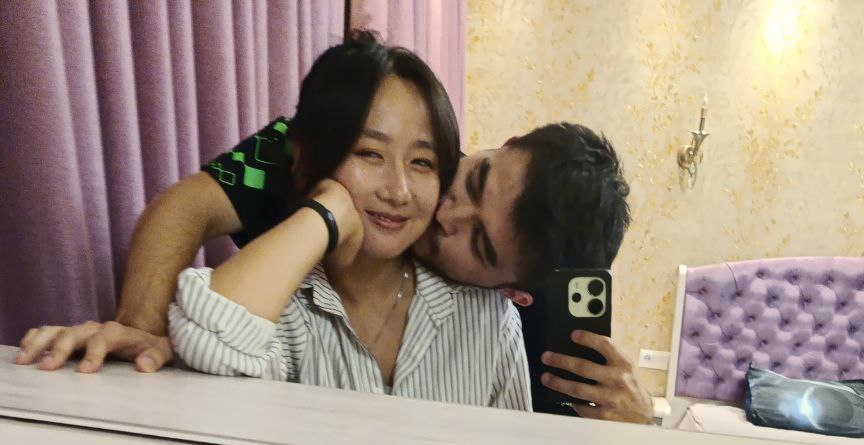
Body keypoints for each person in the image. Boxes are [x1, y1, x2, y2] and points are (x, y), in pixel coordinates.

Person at [15, 42, 652, 422]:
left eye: (478, 244)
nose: (433, 205)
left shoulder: (491, 321)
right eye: (474, 177)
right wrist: (143, 327)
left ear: (510, 288)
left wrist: (634, 434)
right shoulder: (333, 148)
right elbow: (185, 207)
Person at [168, 32, 530, 411]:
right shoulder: (277, 302)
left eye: (422, 162)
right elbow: (204, 345)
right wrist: (328, 212)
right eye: (370, 153)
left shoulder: (486, 318)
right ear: (304, 158)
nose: (399, 191)